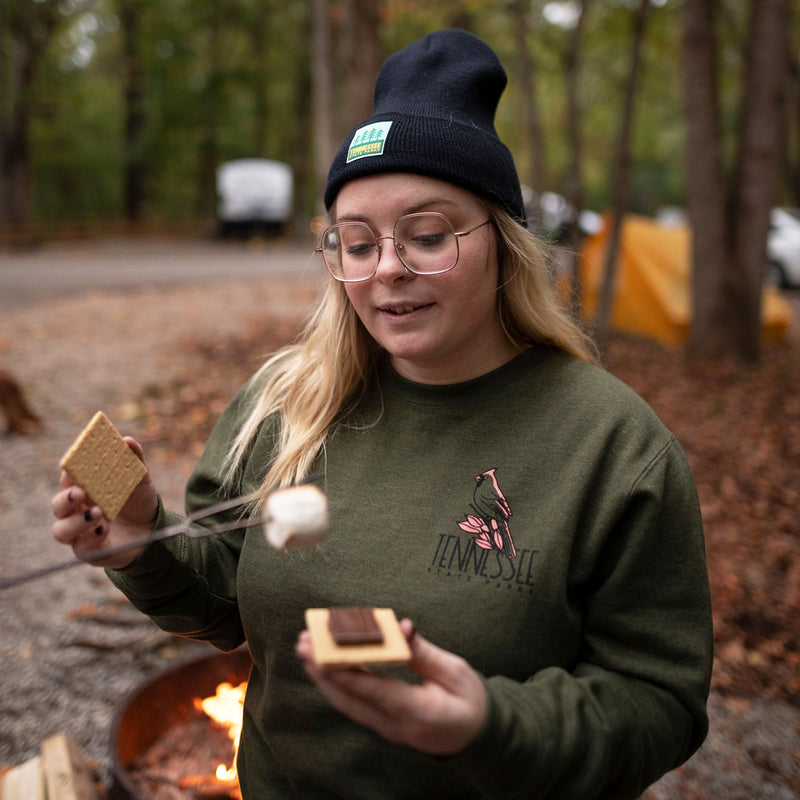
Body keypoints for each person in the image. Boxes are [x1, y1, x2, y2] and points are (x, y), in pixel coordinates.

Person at [51, 29, 713, 800]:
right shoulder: (285, 402)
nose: (388, 268)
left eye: (428, 235)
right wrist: (141, 544)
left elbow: (660, 700)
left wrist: (489, 726)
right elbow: (227, 608)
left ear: (503, 244)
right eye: (356, 243)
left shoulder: (612, 448)